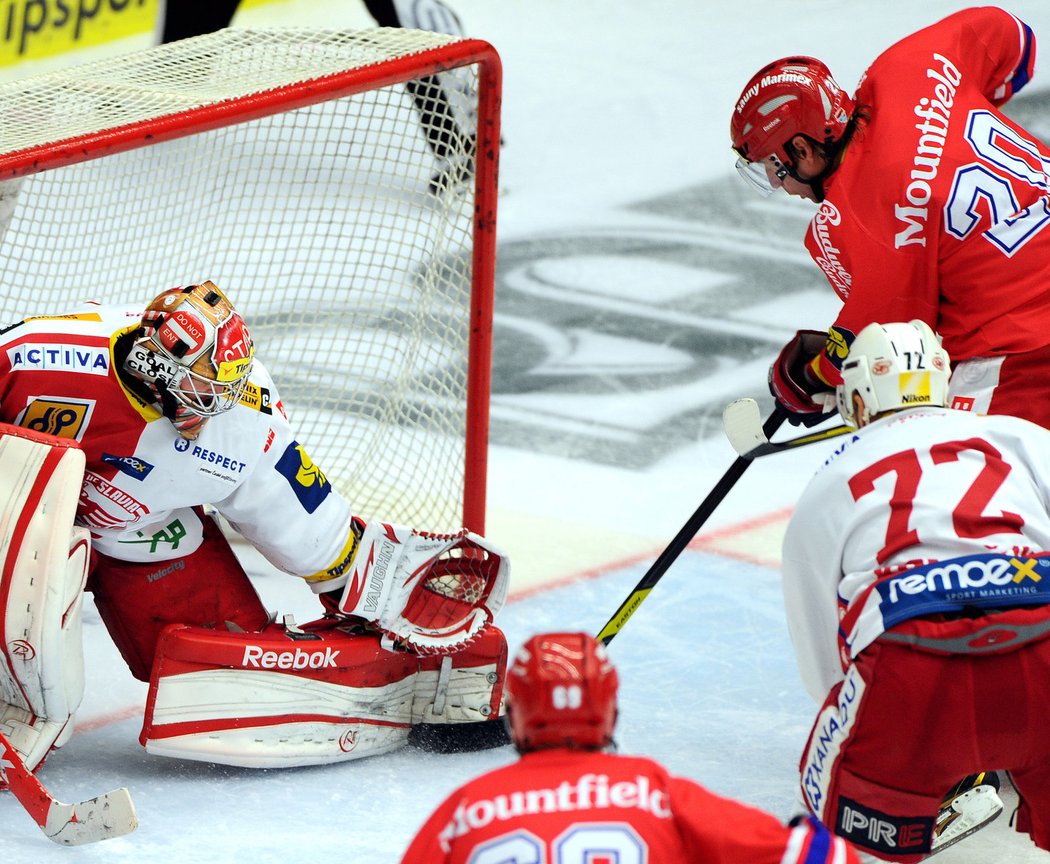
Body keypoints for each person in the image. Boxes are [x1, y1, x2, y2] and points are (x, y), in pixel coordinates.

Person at [0, 281, 510, 775]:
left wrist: (374, 582)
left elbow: (304, 520)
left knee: (217, 672)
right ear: (153, 365)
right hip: (14, 519)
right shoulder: (35, 357)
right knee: (35, 644)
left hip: (137, 530)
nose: (221, 401)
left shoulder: (244, 420)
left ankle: (397, 677)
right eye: (206, 386)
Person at [781, 319, 1050, 861]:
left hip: (908, 658)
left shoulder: (830, 478)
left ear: (855, 401)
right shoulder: (1021, 435)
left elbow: (823, 667)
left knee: (834, 823)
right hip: (1044, 636)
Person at [728, 8, 1050, 430]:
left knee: (979, 476)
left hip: (1028, 352)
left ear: (803, 151)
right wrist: (949, 128)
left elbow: (891, 335)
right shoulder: (911, 63)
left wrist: (806, 379)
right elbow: (1011, 37)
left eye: (775, 168)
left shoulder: (860, 217)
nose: (783, 185)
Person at [401, 630, 861, 863]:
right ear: (610, 712)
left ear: (514, 715)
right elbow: (826, 857)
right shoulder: (655, 791)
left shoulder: (467, 809)